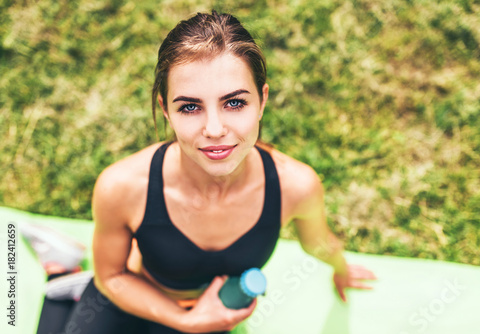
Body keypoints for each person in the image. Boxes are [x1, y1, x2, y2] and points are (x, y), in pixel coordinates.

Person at [23, 10, 375, 334]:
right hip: (132, 296)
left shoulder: (296, 186)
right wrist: (186, 320)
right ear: (166, 110)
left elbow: (318, 242)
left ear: (262, 100)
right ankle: (63, 270)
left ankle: (61, 269)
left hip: (213, 316)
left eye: (234, 102)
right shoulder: (123, 186)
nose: (214, 128)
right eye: (190, 107)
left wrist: (340, 268)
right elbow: (111, 276)